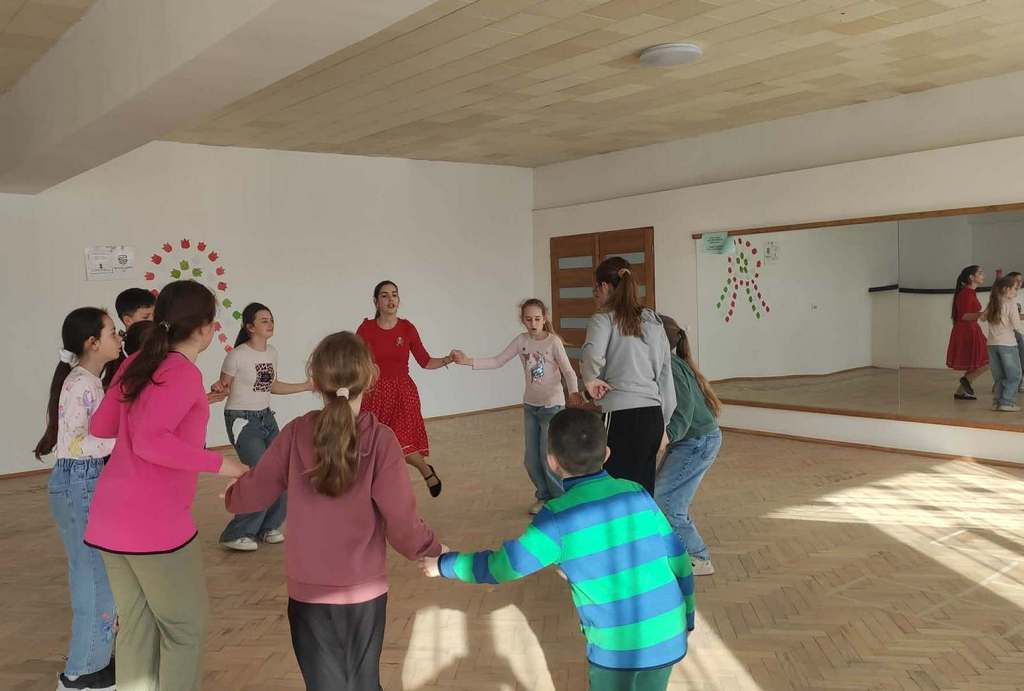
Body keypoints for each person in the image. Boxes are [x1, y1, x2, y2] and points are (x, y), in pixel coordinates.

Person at [225, 331, 443, 690]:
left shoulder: (296, 432)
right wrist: (432, 550)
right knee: (363, 683)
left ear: (315, 381)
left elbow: (256, 489)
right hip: (364, 592)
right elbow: (402, 520)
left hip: (308, 593)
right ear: (370, 377)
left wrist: (234, 496)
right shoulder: (381, 439)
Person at [422, 408, 695, 691]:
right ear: (606, 454)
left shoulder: (556, 518)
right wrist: (687, 617)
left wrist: (443, 564)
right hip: (668, 630)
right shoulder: (636, 492)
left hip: (617, 646)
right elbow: (679, 558)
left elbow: (503, 567)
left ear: (552, 462)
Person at [85, 280, 248, 691]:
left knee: (136, 628)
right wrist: (225, 465)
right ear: (204, 328)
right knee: (184, 630)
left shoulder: (139, 363)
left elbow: (102, 425)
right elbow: (150, 440)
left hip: (109, 519)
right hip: (153, 526)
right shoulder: (181, 372)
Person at [35, 307, 122, 691]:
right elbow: (78, 444)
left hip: (83, 481)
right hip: (80, 481)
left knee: (98, 577)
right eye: (113, 332)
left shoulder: (88, 381)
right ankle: (81, 674)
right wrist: (128, 441)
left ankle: (92, 663)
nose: (118, 338)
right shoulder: (83, 383)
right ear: (92, 343)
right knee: (94, 579)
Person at [453, 298, 583, 514]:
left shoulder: (553, 342)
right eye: (528, 319)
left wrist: (574, 392)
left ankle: (560, 501)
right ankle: (544, 497)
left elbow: (568, 371)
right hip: (530, 406)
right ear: (523, 320)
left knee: (547, 457)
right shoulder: (521, 341)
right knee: (531, 460)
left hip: (552, 406)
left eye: (537, 319)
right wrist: (468, 361)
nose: (533, 324)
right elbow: (497, 361)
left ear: (544, 319)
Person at [213, 303, 312, 551]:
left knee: (284, 470)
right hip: (242, 419)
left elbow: (272, 386)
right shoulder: (236, 356)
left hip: (266, 418)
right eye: (264, 320)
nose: (270, 323)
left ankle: (269, 527)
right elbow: (223, 388)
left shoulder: (272, 353)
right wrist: (218, 388)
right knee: (260, 474)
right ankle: (237, 533)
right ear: (250, 327)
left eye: (271, 319)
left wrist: (306, 386)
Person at [581, 257, 675, 494]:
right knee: (642, 491)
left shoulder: (603, 318)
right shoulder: (653, 321)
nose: (595, 296)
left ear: (604, 286)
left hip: (620, 416)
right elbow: (665, 376)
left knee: (614, 489)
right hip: (653, 417)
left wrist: (590, 380)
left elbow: (592, 354)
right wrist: (664, 425)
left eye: (595, 289)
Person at [356, 280, 456, 497]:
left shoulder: (407, 328)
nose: (390, 300)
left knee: (400, 442)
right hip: (373, 394)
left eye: (394, 295)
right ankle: (381, 492)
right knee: (375, 446)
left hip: (402, 393)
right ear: (376, 301)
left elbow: (425, 361)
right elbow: (355, 361)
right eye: (384, 295)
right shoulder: (365, 329)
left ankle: (424, 470)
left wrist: (449, 359)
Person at [654, 315, 723, 577]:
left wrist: (667, 437)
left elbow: (683, 412)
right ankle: (674, 553)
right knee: (664, 497)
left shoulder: (671, 367)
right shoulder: (669, 363)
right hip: (692, 441)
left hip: (697, 443)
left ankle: (699, 557)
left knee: (667, 502)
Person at [981, 276, 1024, 412]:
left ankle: (997, 402)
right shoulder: (1011, 304)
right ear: (1006, 289)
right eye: (1015, 289)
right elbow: (1017, 326)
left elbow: (982, 317)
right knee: (1015, 375)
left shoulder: (993, 303)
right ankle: (1007, 402)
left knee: (999, 376)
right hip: (1008, 344)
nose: (1016, 292)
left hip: (992, 345)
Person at [946, 265, 989, 400]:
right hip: (967, 330)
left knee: (979, 360)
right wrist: (982, 314)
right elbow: (964, 316)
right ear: (971, 277)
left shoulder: (969, 293)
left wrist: (982, 314)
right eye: (980, 273)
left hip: (970, 329)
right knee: (987, 359)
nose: (983, 275)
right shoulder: (966, 293)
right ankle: (966, 380)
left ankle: (960, 391)